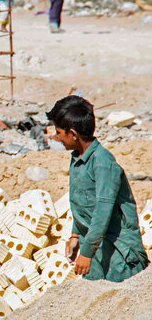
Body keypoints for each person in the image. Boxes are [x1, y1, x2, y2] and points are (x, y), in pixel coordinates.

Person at [47, 96, 149, 282]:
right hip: (94, 248)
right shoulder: (78, 159)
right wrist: (75, 234)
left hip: (118, 253)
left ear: (72, 134)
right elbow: (82, 202)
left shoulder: (102, 163)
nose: (56, 137)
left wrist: (86, 253)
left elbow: (103, 210)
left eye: (58, 132)